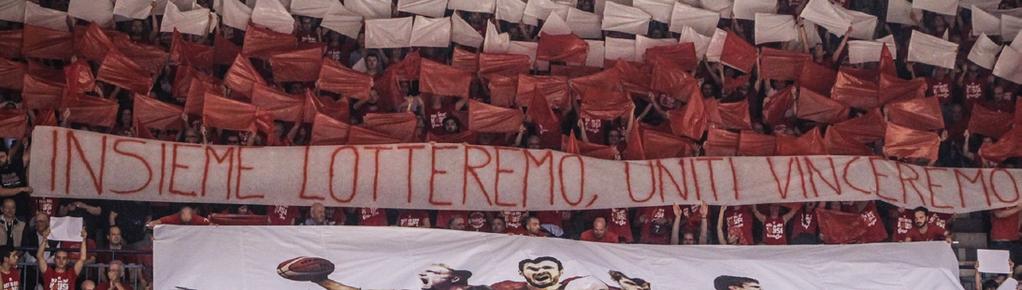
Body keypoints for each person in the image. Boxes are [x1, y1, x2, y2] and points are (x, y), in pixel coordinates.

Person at [490, 256, 609, 290]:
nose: (540, 271)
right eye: (533, 269)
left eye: (547, 267)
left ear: (560, 272)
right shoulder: (508, 287)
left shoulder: (578, 284)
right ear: (522, 273)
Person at [145, 206, 211, 228]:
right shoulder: (173, 218)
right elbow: (157, 222)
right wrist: (151, 224)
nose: (186, 224)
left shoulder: (199, 219)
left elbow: (211, 225)